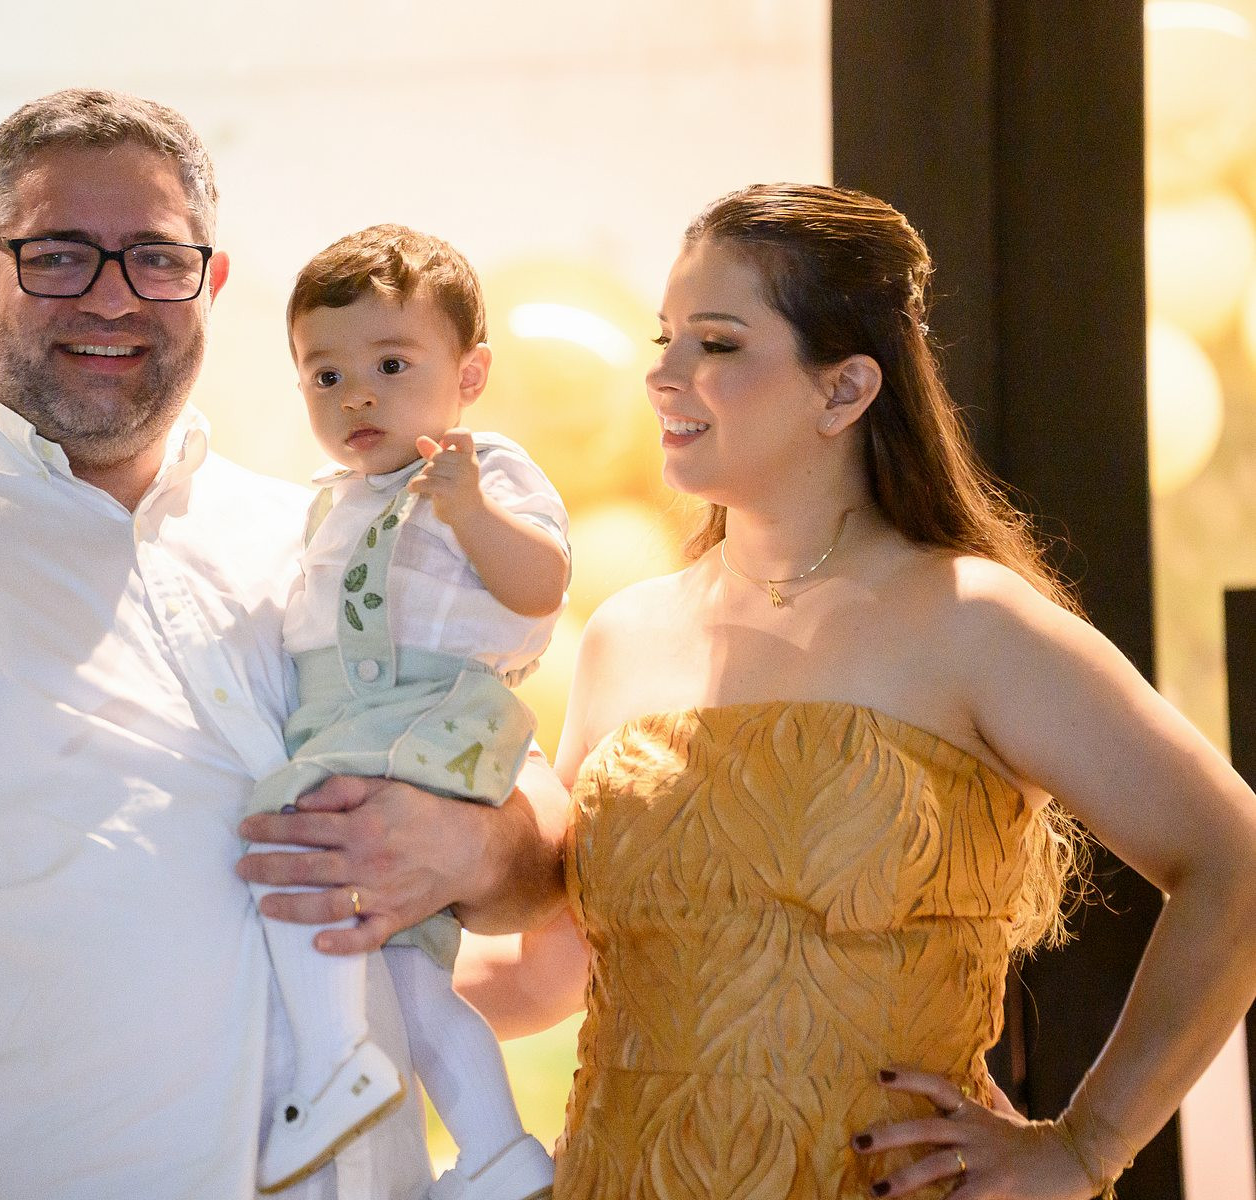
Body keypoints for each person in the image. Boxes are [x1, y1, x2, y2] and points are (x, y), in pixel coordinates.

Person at [0, 88, 561, 1200]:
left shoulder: (323, 535)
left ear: (210, 284)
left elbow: (542, 847)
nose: (113, 297)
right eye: (59, 255)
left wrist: (471, 849)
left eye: (157, 259)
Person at [454, 183, 1256, 1198]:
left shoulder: (971, 620)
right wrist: (306, 984)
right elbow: (548, 972)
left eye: (716, 342)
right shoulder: (625, 635)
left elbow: (1234, 861)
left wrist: (1086, 1145)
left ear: (843, 391)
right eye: (665, 338)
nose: (661, 373)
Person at [246, 226, 565, 1200]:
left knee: (289, 861)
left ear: (469, 375)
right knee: (408, 980)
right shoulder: (322, 503)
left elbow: (543, 584)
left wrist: (471, 511)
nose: (357, 396)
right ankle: (497, 1154)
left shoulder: (482, 469)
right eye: (325, 376)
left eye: (390, 365)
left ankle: (346, 1078)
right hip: (352, 725)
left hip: (421, 719)